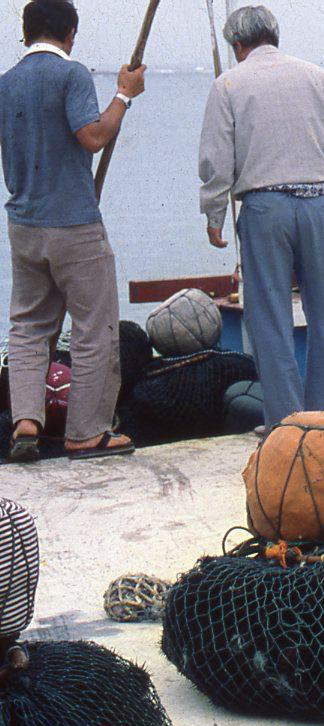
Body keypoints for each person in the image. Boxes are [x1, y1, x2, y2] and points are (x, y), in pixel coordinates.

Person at [198, 5, 324, 431]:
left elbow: (216, 157)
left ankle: (286, 422)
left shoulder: (229, 83)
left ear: (238, 44)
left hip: (264, 208)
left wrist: (214, 211)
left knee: (270, 317)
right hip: (315, 203)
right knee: (322, 311)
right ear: (273, 36)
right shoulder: (316, 76)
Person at [1, 0, 144, 461]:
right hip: (75, 225)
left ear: (25, 36)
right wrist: (124, 95)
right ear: (70, 34)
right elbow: (93, 137)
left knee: (27, 326)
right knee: (93, 328)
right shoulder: (72, 74)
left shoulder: (5, 85)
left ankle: (25, 420)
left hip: (23, 225)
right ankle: (86, 432)